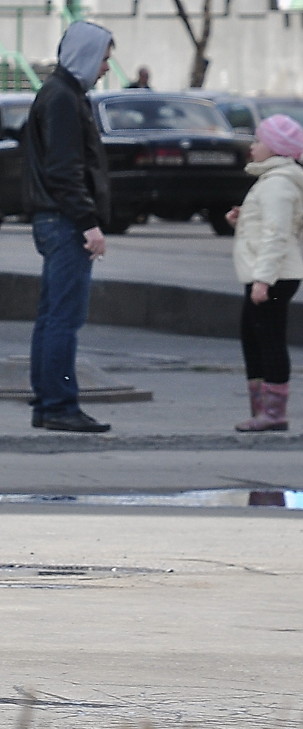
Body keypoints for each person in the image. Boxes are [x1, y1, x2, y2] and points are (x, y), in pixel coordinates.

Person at [24, 20, 114, 433]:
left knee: (52, 317)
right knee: (63, 318)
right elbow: (65, 171)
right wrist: (88, 223)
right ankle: (59, 404)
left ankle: (49, 403)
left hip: (56, 219)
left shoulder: (62, 93)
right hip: (64, 222)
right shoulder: (63, 98)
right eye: (104, 59)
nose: (106, 68)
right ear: (86, 55)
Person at [225, 114, 303, 432]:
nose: (252, 147)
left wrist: (263, 280)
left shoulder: (278, 184)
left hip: (273, 276)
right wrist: (242, 218)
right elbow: (268, 224)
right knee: (252, 338)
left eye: (257, 141)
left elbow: (277, 234)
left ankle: (272, 413)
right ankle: (261, 410)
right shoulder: (272, 180)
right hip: (267, 274)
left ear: (276, 148)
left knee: (268, 340)